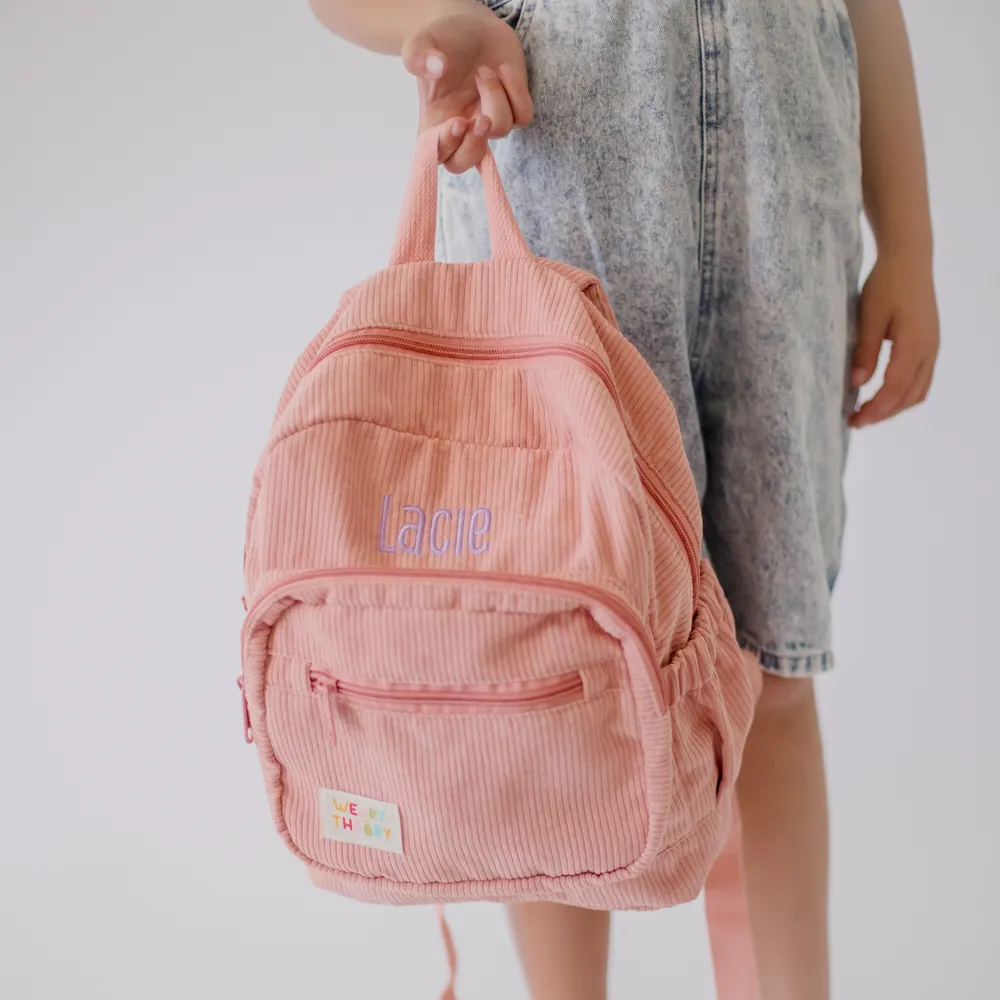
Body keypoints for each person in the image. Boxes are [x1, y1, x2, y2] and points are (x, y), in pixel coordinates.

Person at [309, 1, 940, 997]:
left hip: (788, 221)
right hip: (560, 184)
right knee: (552, 674)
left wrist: (907, 238)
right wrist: (433, 16)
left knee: (771, 668)